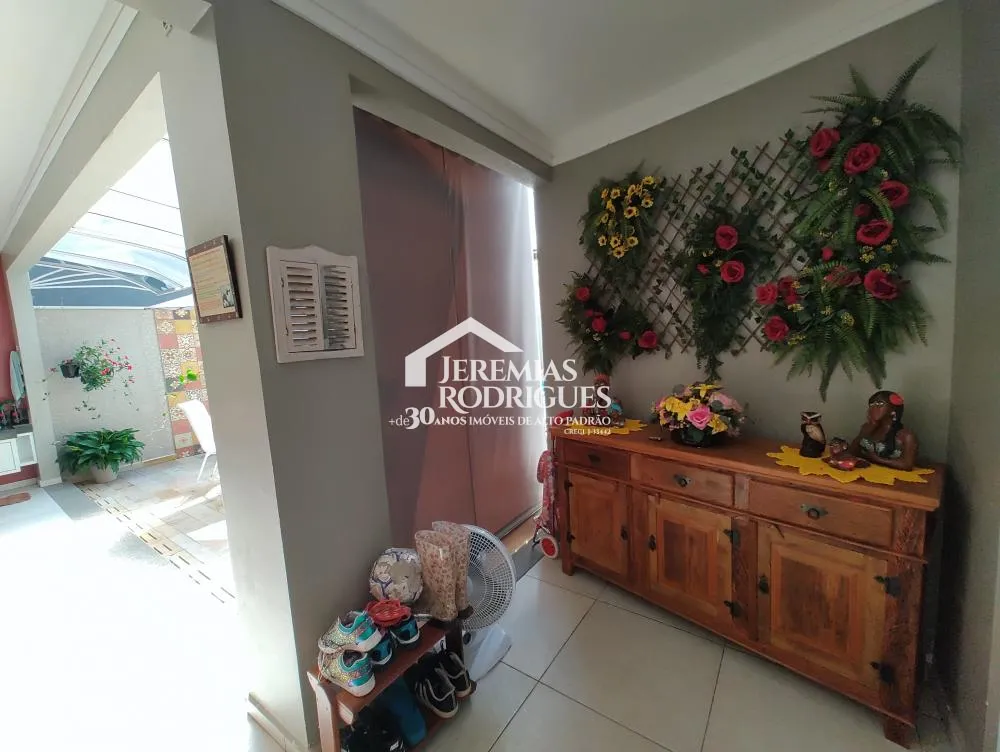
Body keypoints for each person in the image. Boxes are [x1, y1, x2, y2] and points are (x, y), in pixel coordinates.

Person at [849, 391, 918, 471]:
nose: (873, 408)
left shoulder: (906, 436)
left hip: (893, 476)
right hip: (866, 473)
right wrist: (864, 433)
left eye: (879, 404)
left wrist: (877, 459)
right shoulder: (866, 427)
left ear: (893, 409)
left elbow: (907, 465)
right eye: (871, 404)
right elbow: (852, 452)